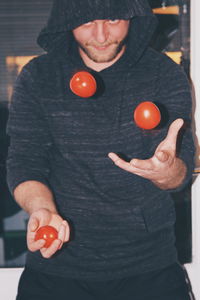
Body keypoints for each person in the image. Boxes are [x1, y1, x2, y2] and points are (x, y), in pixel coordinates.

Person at [6, 0, 195, 299]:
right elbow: (24, 161)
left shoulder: (163, 74)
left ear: (133, 17)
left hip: (148, 267)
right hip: (57, 265)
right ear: (67, 22)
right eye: (86, 23)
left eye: (112, 19)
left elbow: (180, 172)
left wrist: (167, 171)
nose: (101, 35)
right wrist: (42, 208)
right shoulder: (39, 77)